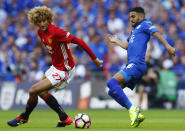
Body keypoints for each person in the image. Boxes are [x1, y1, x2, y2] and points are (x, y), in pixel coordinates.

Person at [7, 6, 103, 127]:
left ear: (49, 19)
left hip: (65, 70)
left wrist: (95, 59)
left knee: (33, 90)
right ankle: (64, 118)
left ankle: (24, 117)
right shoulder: (40, 32)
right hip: (56, 67)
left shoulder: (56, 32)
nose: (42, 23)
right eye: (39, 21)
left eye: (44, 20)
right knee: (41, 92)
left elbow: (80, 42)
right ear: (35, 22)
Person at [105, 7, 175, 128]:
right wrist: (116, 41)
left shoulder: (145, 24)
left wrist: (168, 46)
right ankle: (135, 113)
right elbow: (127, 46)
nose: (130, 19)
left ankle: (133, 110)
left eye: (133, 16)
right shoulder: (134, 31)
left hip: (137, 64)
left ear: (141, 17)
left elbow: (156, 33)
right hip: (132, 65)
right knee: (112, 90)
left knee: (111, 82)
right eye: (129, 17)